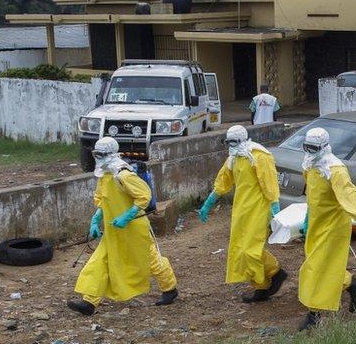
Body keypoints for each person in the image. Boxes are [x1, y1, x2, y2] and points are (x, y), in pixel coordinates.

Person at [67, 137, 178, 316]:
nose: (98, 157)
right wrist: (95, 220)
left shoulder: (123, 174)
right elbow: (102, 200)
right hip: (113, 230)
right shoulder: (104, 175)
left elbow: (144, 196)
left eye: (102, 154)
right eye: (96, 154)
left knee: (151, 261)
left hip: (134, 229)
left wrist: (127, 216)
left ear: (111, 154)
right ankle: (89, 301)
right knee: (99, 262)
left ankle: (170, 288)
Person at [298, 127, 356, 331]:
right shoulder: (309, 165)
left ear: (324, 147)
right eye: (306, 147)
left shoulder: (335, 169)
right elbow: (312, 194)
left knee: (315, 268)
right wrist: (308, 216)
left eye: (313, 148)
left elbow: (350, 196)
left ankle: (314, 315)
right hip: (317, 223)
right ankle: (352, 284)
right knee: (323, 266)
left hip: (334, 226)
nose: (309, 151)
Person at [198, 125, 287, 303]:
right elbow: (223, 180)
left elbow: (270, 183)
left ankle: (275, 272)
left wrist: (274, 208)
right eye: (228, 142)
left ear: (242, 140)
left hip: (259, 210)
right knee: (240, 249)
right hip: (241, 210)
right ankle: (261, 287)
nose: (230, 145)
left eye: (233, 142)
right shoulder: (234, 158)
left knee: (251, 251)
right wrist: (209, 202)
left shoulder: (259, 156)